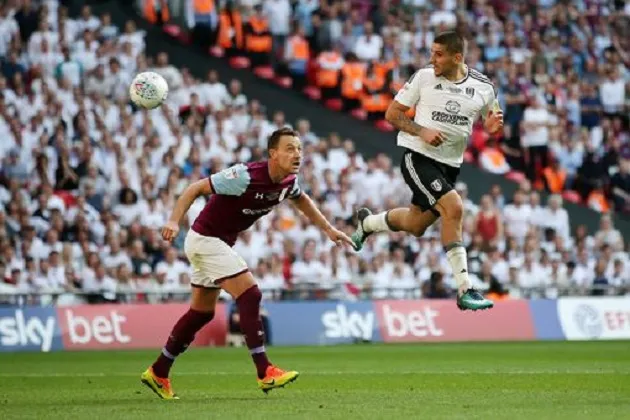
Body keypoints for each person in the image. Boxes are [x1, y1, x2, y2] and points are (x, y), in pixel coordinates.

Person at [141, 128, 353, 399]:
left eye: (299, 148)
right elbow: (195, 188)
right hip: (205, 239)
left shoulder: (288, 181)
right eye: (289, 148)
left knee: (202, 312)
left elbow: (302, 200)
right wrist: (173, 220)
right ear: (272, 153)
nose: (297, 153)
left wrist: (328, 229)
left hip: (216, 244)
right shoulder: (244, 176)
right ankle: (265, 371)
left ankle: (159, 371)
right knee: (250, 294)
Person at [350, 31, 504, 311]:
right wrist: (421, 130)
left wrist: (492, 130)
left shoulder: (484, 87)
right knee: (454, 207)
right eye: (432, 52)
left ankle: (368, 223)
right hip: (417, 156)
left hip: (450, 165)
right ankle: (466, 288)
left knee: (416, 225)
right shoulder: (423, 77)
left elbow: (490, 120)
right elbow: (392, 114)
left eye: (438, 54)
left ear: (457, 57)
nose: (432, 59)